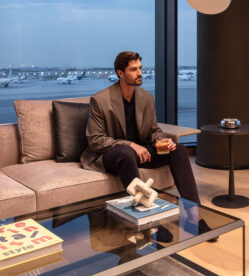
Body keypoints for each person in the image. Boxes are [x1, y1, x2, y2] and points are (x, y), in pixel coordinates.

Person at [80, 51, 202, 207]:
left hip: (141, 154)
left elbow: (153, 130)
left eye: (140, 68)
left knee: (178, 149)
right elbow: (95, 140)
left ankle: (193, 211)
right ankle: (142, 210)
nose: (139, 73)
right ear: (120, 73)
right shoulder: (100, 100)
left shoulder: (147, 98)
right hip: (112, 155)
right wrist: (131, 145)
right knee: (126, 152)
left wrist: (161, 141)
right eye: (133, 69)